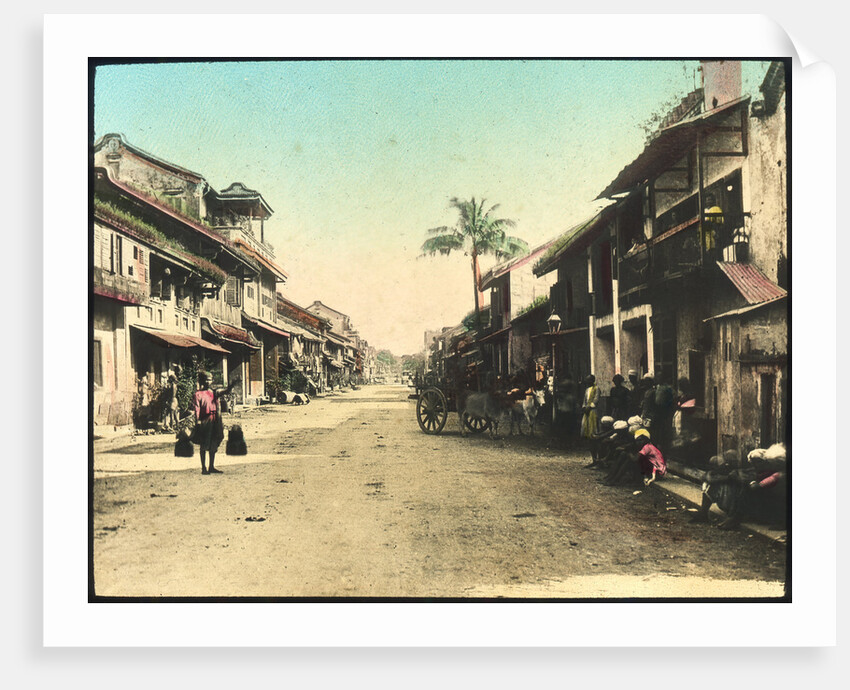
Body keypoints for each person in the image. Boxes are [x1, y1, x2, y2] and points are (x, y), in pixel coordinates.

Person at [191, 370, 238, 475]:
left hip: (215, 420)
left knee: (214, 442)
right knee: (204, 444)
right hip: (205, 421)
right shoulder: (198, 394)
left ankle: (211, 466)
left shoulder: (214, 393)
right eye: (206, 380)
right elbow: (196, 409)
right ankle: (204, 468)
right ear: (202, 381)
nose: (208, 382)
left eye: (210, 380)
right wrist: (197, 421)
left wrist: (231, 386)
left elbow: (225, 391)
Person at [580, 375, 599, 440]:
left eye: (589, 380)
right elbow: (585, 399)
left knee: (592, 423)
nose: (588, 382)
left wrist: (590, 406)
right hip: (586, 409)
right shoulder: (587, 390)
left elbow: (596, 399)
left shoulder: (596, 388)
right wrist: (584, 407)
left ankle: (593, 437)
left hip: (592, 409)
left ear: (593, 380)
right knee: (585, 423)